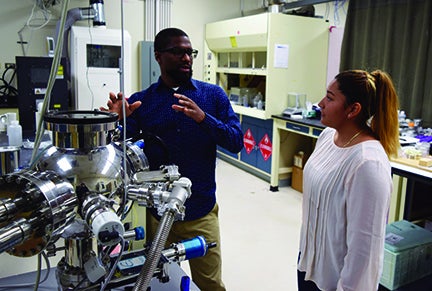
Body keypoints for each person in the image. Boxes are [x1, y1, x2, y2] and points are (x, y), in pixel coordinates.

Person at [100, 27, 243, 291]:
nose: (186, 58)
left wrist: (203, 118)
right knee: (155, 281)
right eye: (178, 52)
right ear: (158, 56)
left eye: (190, 52)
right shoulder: (143, 102)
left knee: (210, 284)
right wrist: (116, 122)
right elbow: (122, 154)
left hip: (200, 212)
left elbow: (236, 141)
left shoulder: (212, 96)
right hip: (157, 215)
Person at [297, 69, 400, 291]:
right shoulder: (326, 137)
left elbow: (365, 251)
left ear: (353, 109)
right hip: (309, 265)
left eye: (330, 98)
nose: (320, 103)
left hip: (335, 281)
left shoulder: (368, 163)